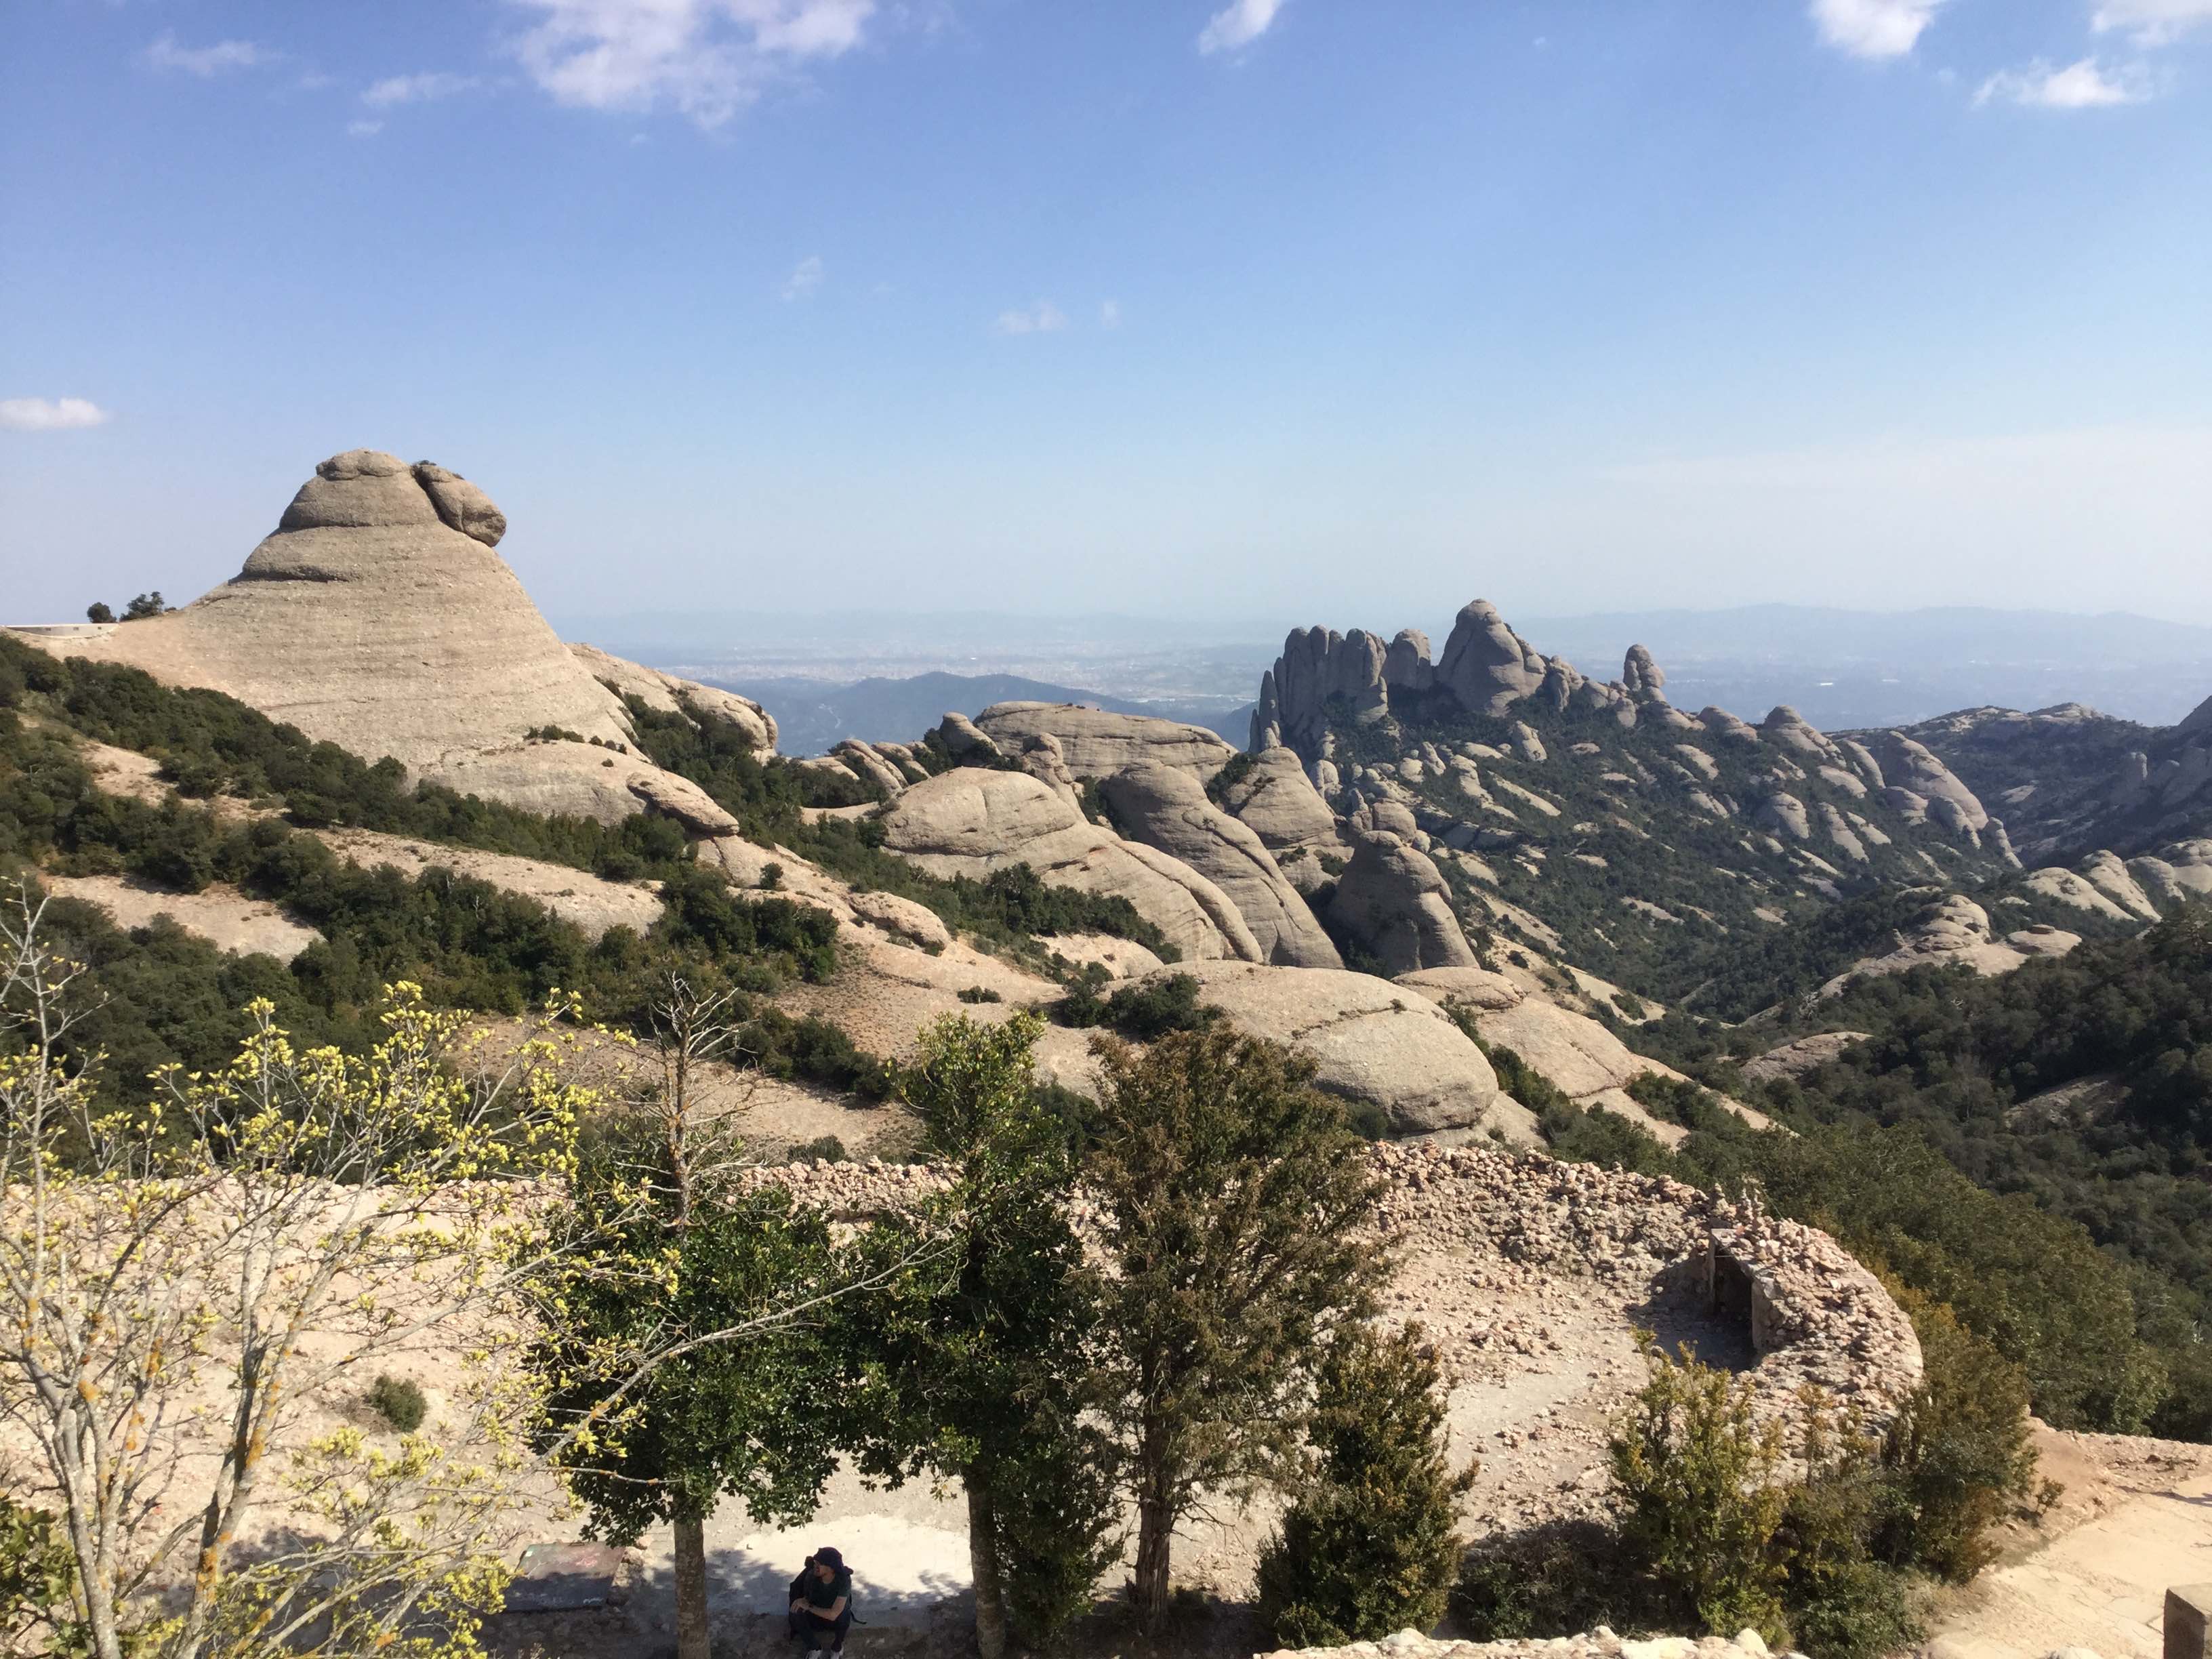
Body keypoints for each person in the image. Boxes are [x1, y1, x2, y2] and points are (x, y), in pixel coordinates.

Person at [788, 1547, 853, 1657]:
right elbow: (807, 1598)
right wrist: (802, 1602)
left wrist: (808, 1606)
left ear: (831, 1568)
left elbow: (834, 1614)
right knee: (795, 1611)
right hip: (817, 1615)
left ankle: (837, 1647)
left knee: (844, 1613)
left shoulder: (843, 1580)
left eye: (819, 1564)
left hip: (835, 1619)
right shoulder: (812, 1576)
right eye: (815, 1563)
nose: (815, 1566)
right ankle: (815, 1647)